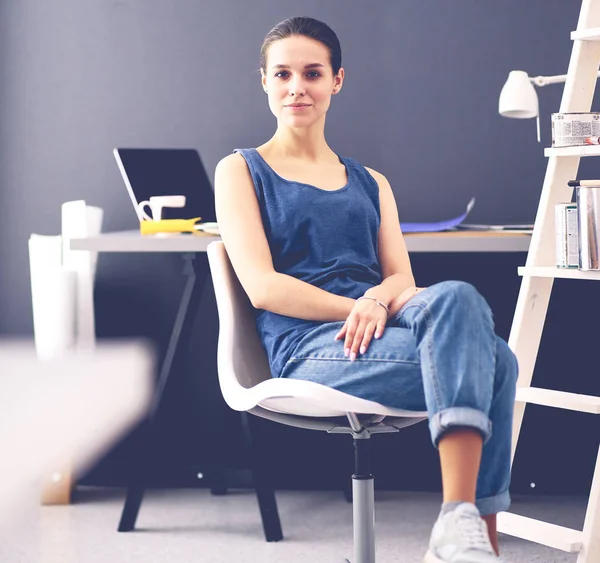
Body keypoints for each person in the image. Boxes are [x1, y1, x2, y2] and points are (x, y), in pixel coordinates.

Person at [214, 16, 518, 563]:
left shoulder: (370, 181)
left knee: (460, 297)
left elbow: (400, 276)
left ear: (337, 80)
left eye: (312, 73)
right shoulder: (241, 171)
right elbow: (262, 287)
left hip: (382, 321)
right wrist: (359, 305)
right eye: (282, 74)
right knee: (496, 362)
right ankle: (471, 537)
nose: (297, 87)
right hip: (312, 346)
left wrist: (376, 300)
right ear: (264, 81)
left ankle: (462, 531)